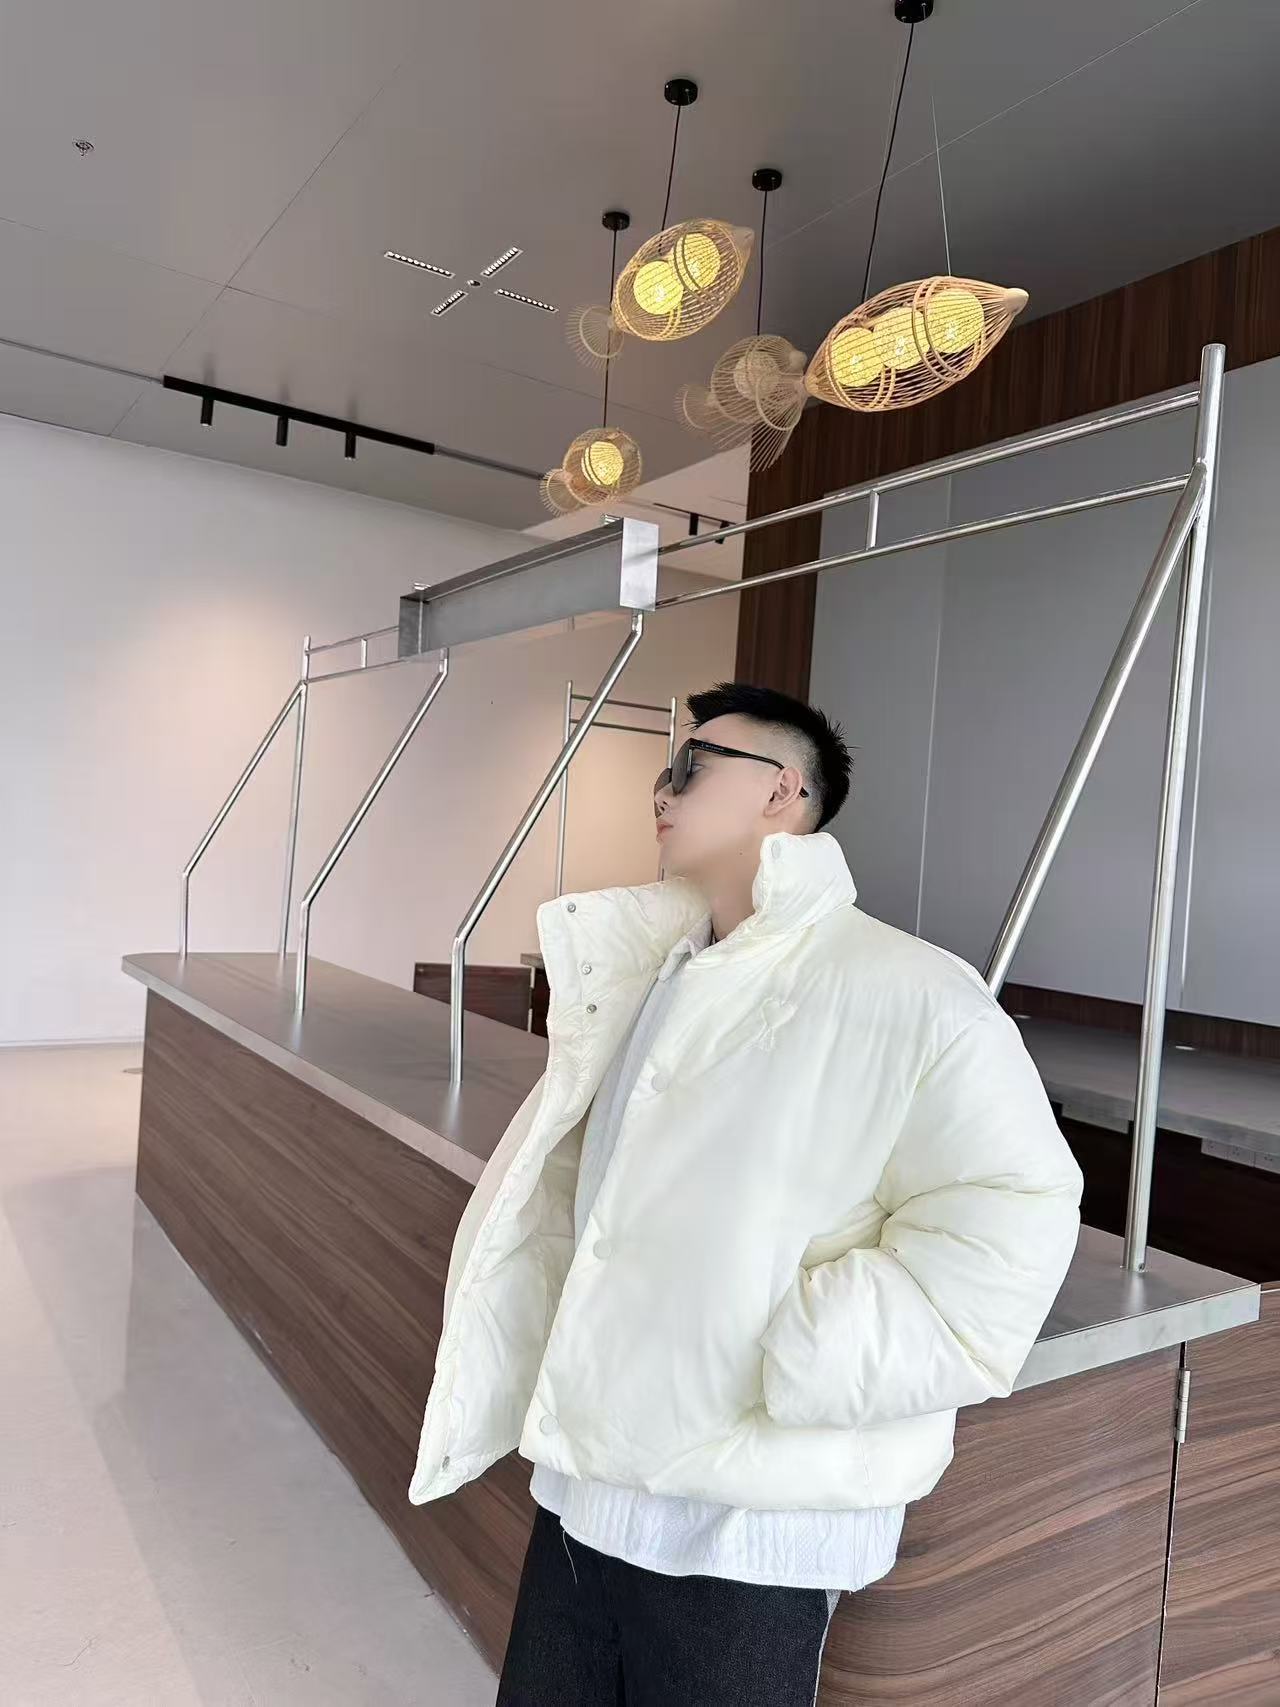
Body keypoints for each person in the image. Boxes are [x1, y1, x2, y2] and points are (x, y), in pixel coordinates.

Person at [409, 680, 1084, 1706]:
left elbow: (1011, 1220)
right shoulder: (654, 975)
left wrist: (803, 1353)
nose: (661, 791)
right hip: (586, 1491)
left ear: (781, 792)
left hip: (753, 1527)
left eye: (690, 767)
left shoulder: (910, 991)